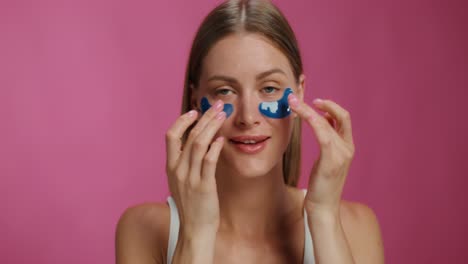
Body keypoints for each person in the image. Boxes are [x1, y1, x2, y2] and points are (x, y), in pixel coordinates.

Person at [115, 0, 384, 263]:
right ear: (196, 99)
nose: (248, 117)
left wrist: (323, 216)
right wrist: (196, 235)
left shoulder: (355, 227)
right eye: (225, 91)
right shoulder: (144, 230)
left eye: (269, 88)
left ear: (299, 92)